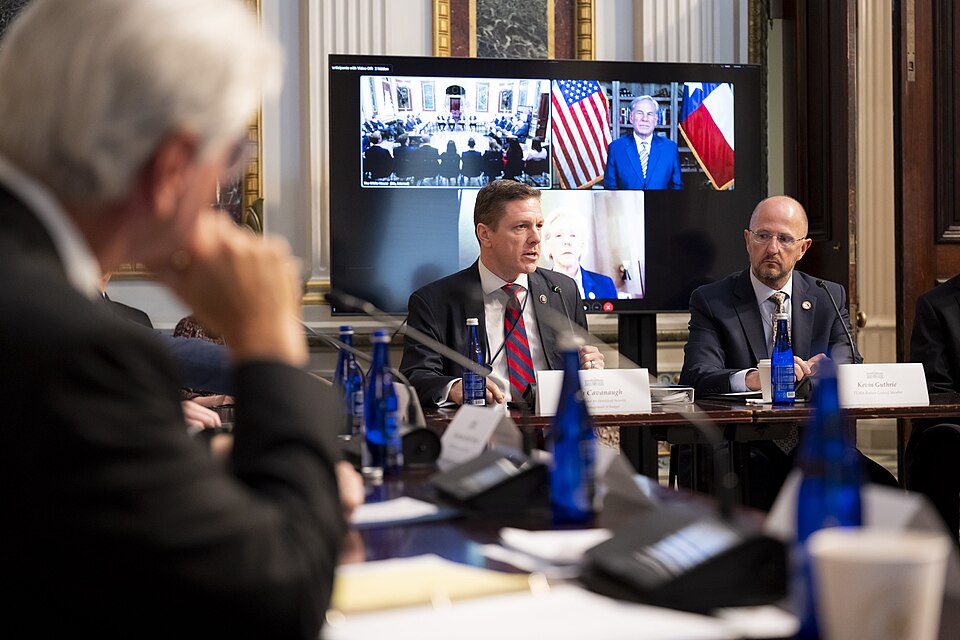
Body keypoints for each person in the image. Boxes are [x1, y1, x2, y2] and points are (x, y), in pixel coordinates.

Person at [0, 1, 346, 637]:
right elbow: (277, 600)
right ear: (171, 169)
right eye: (232, 153)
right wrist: (267, 337)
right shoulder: (74, 344)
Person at [679, 195, 892, 509]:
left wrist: (828, 371)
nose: (773, 248)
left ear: (803, 248)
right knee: (761, 485)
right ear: (747, 240)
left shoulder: (828, 295)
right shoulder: (712, 301)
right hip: (740, 444)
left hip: (811, 441)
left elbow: (849, 360)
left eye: (785, 239)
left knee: (885, 487)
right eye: (763, 236)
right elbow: (697, 375)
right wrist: (756, 378)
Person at [399, 180, 605, 407]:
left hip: (555, 432)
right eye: (521, 227)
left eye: (538, 225)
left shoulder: (563, 290)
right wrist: (455, 387)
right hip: (480, 431)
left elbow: (578, 368)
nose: (536, 238)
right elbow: (415, 376)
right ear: (485, 234)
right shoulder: (433, 301)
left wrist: (589, 367)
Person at [907, 274, 960, 538]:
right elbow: (936, 389)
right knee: (941, 445)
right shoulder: (935, 305)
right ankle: (946, 571)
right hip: (955, 425)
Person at [603, 95, 682, 190]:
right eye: (640, 113)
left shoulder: (670, 148)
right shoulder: (616, 148)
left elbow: (677, 186)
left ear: (656, 120)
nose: (645, 119)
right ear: (631, 117)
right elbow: (610, 187)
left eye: (649, 114)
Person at [543, 208, 618, 300]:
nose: (567, 241)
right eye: (559, 235)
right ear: (548, 245)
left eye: (573, 235)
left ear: (582, 245)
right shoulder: (538, 287)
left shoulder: (605, 284)